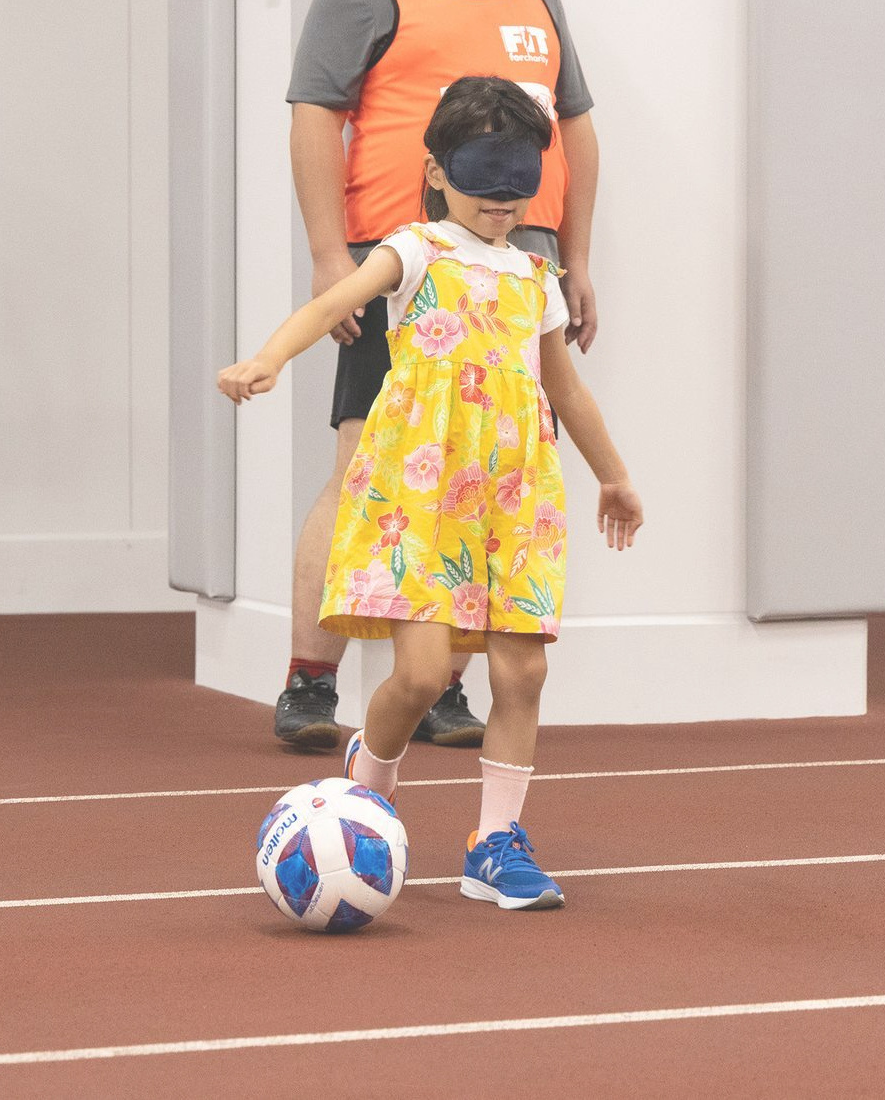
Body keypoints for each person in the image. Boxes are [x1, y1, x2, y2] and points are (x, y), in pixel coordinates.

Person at [222, 76, 641, 910]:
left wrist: (613, 474)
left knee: (522, 671)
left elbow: (563, 386)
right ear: (438, 171)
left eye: (518, 179)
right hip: (423, 495)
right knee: (418, 678)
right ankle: (366, 794)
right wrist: (267, 357)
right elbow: (333, 303)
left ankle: (494, 844)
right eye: (483, 176)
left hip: (515, 495)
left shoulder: (535, 274)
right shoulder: (414, 251)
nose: (501, 197)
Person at [278, 0, 601, 750]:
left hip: (519, 274)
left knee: (487, 477)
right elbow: (314, 112)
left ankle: (443, 686)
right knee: (366, 465)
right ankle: (308, 680)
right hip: (406, 271)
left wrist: (576, 258)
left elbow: (575, 128)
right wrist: (329, 253)